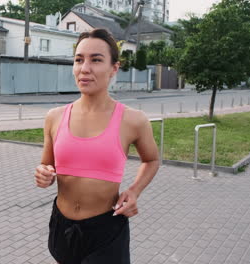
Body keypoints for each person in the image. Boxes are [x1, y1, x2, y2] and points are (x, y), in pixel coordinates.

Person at [34, 28, 160, 264]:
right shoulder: (54, 117)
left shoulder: (133, 120)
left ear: (114, 68)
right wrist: (43, 175)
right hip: (63, 225)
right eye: (79, 60)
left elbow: (152, 160)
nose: (85, 68)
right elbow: (46, 165)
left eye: (96, 60)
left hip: (106, 230)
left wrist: (134, 191)